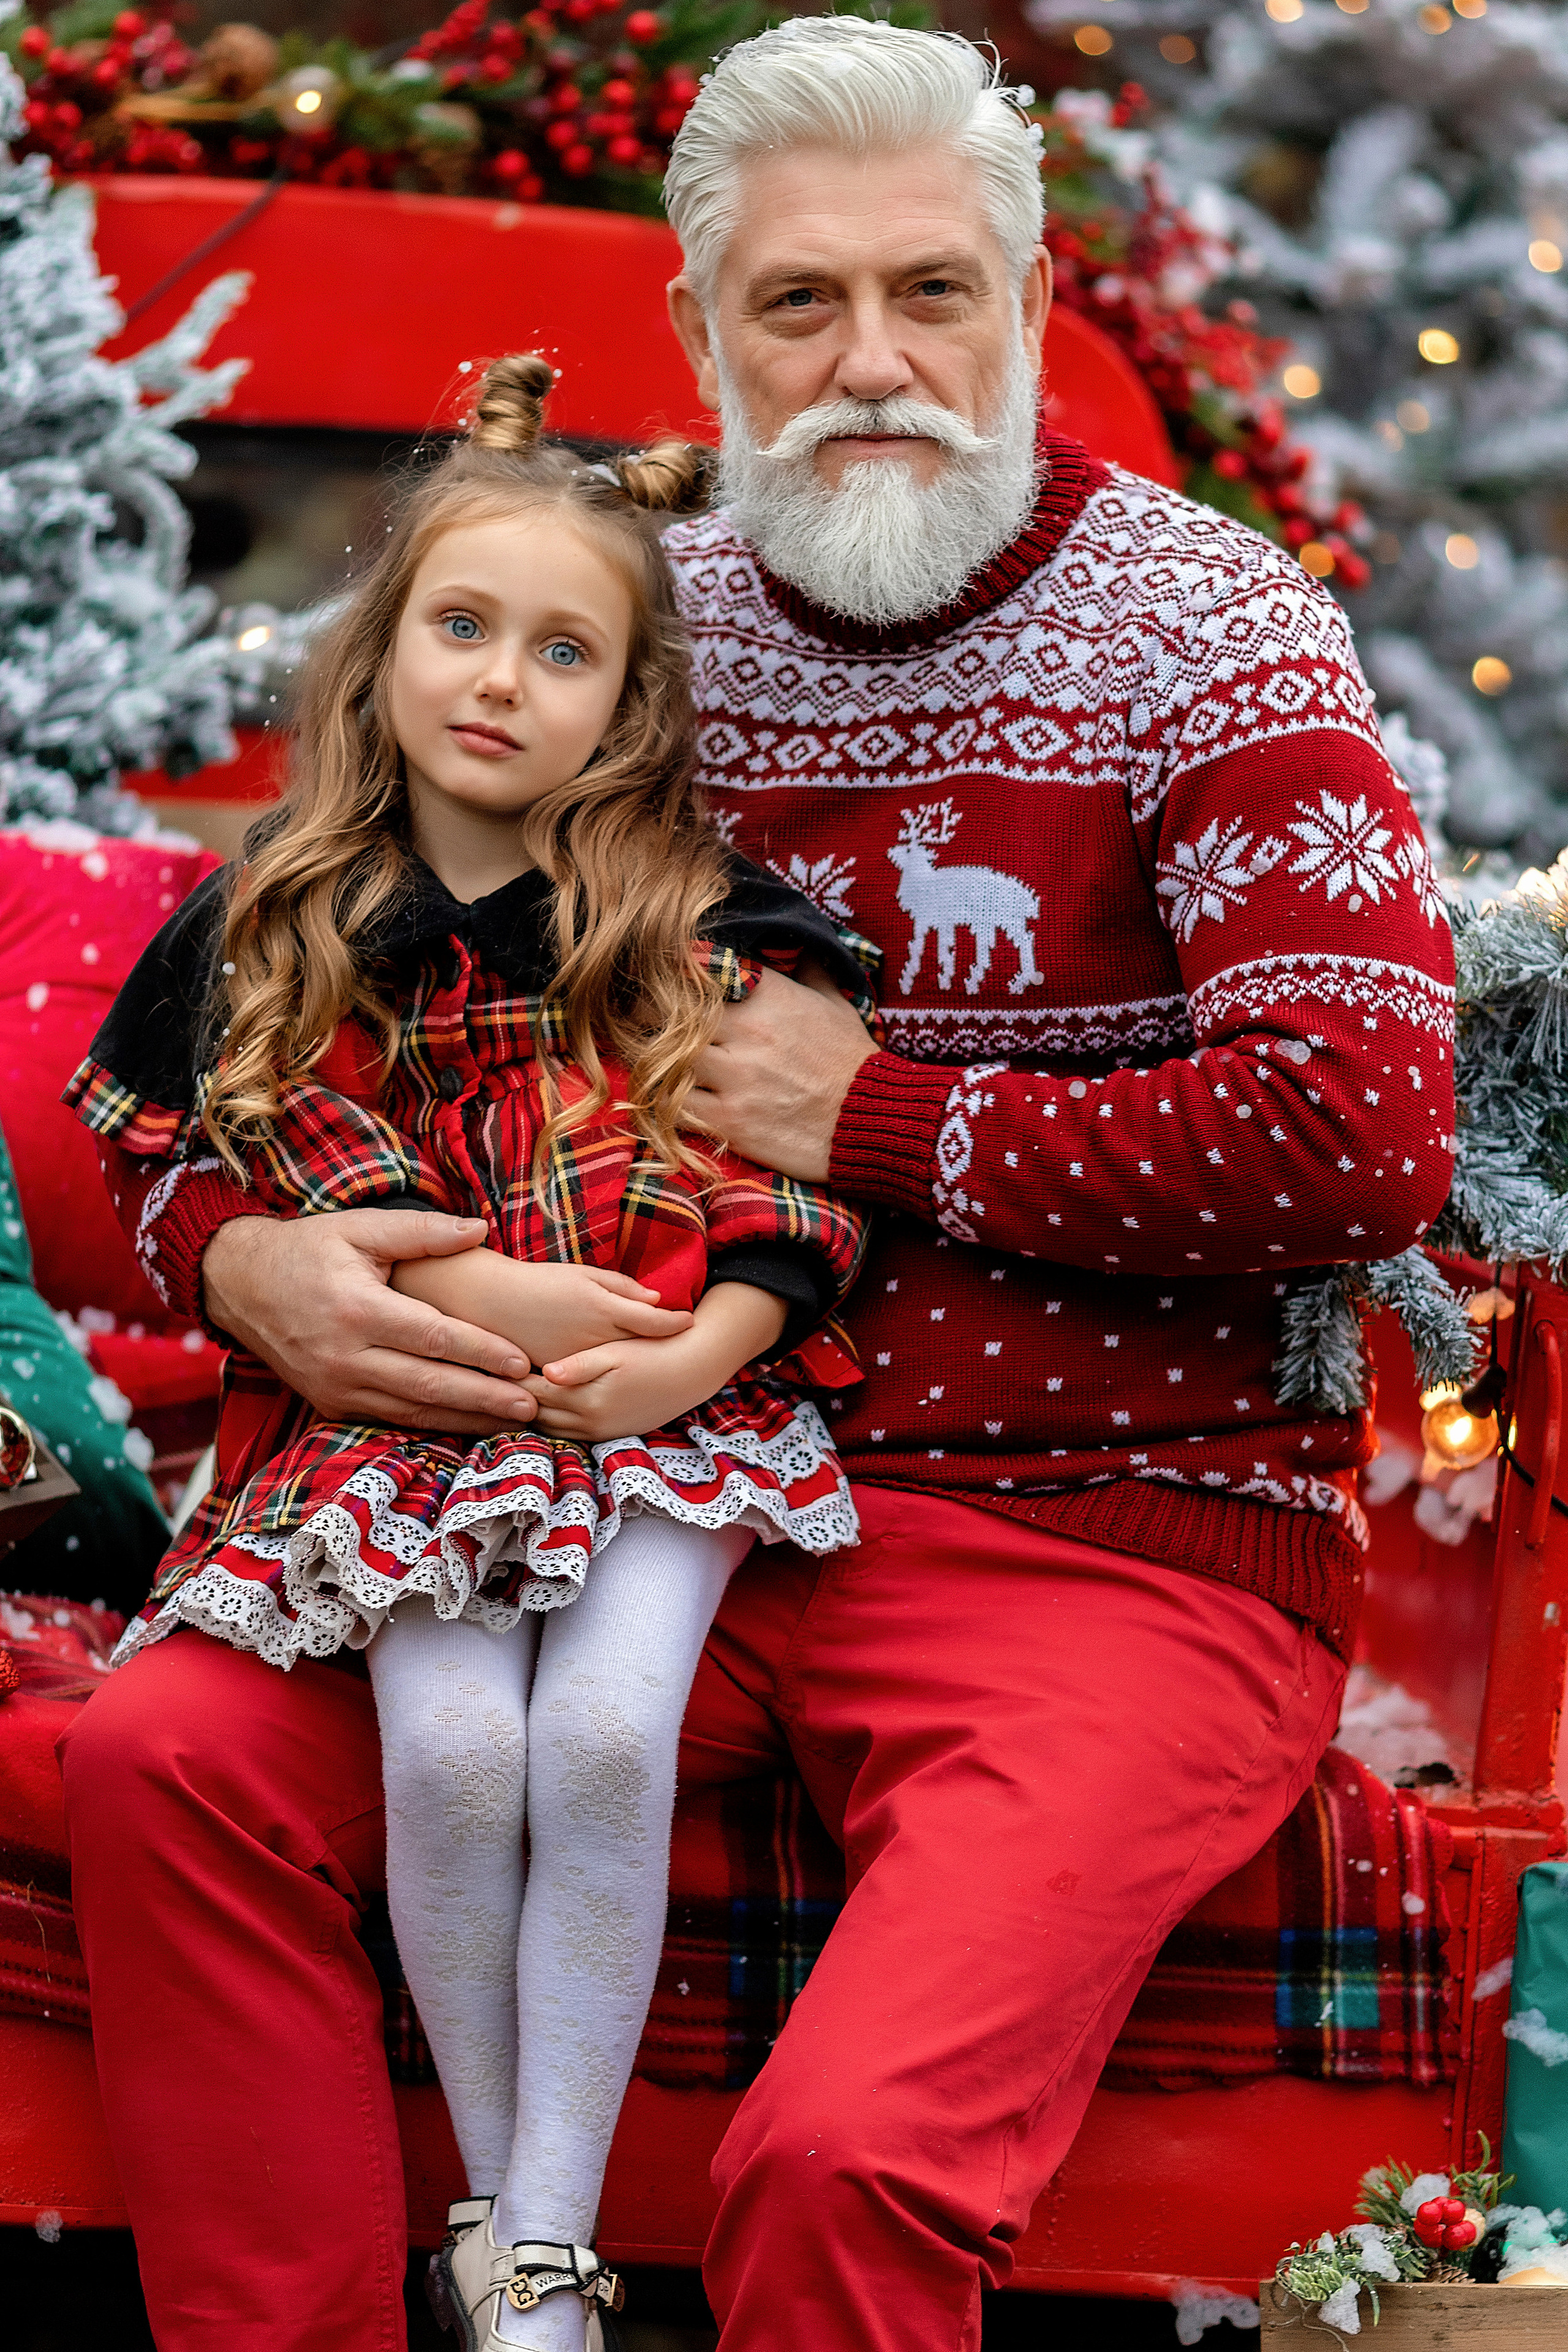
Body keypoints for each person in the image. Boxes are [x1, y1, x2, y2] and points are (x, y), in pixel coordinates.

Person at [58, 20, 1456, 2352]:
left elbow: (1363, 1127)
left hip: (1093, 1529)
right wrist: (247, 1262)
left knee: (839, 2160)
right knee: (166, 1766)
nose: (874, 362)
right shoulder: (622, 628)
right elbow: (290, 999)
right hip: (605, 1489)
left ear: (1029, 314)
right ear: (701, 337)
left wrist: (869, 1117)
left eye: (935, 294)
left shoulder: (1214, 634)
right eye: (800, 305)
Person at [64, 354, 870, 2352]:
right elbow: (196, 1152)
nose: (502, 682)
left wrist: (707, 1351)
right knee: (449, 1745)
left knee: (599, 1740)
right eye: (460, 626)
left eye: (565, 650)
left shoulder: (701, 927)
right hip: (405, 1434)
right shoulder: (284, 929)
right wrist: (461, 1295)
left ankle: (545, 2234)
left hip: (671, 1415)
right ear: (384, 650)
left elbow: (809, 1185)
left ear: (634, 702)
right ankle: (495, 2234)